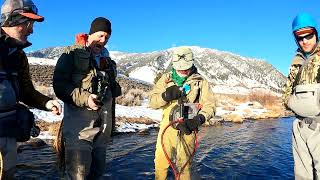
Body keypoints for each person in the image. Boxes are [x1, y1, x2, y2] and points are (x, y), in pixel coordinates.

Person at [0, 0, 62, 179]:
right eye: (28, 23)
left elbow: (26, 90)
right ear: (11, 19)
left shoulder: (19, 56)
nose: (31, 30)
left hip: (8, 132)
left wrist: (47, 102)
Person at [53, 17, 121, 179]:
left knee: (97, 173)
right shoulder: (71, 54)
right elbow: (60, 85)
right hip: (80, 131)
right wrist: (86, 98)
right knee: (79, 175)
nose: (103, 40)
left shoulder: (108, 62)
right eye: (100, 35)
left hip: (103, 131)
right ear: (91, 34)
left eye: (107, 37)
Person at [149, 46, 216, 179]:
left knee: (185, 167)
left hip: (188, 129)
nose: (183, 70)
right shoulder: (165, 79)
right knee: (161, 164)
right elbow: (152, 102)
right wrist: (165, 96)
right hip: (166, 129)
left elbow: (211, 106)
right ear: (173, 64)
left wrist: (199, 119)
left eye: (186, 67)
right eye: (180, 68)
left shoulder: (201, 82)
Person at [283, 13, 320, 180]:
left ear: (316, 33)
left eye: (309, 35)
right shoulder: (295, 61)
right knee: (302, 174)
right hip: (298, 127)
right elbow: (287, 89)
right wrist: (289, 102)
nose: (305, 41)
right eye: (300, 37)